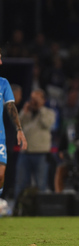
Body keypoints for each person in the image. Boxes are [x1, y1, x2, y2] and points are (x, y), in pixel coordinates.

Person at [14, 89, 55, 199]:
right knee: (20, 183)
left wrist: (40, 108)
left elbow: (46, 124)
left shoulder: (49, 112)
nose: (34, 101)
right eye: (32, 99)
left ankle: (39, 211)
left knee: (41, 184)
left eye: (37, 99)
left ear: (43, 100)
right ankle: (18, 211)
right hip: (25, 153)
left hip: (41, 153)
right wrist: (24, 111)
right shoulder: (27, 113)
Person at [0, 50, 27, 199]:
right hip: (5, 141)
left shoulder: (3, 83)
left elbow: (12, 109)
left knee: (3, 174)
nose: (1, 62)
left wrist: (19, 130)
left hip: (3, 141)